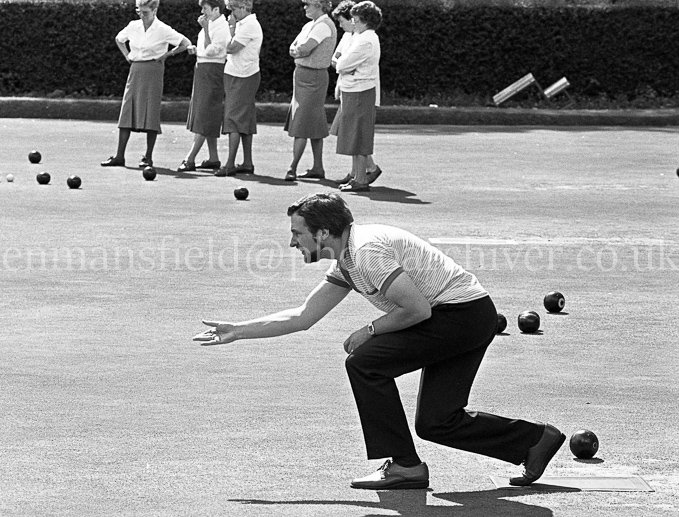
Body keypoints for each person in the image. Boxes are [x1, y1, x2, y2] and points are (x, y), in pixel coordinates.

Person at [193, 192, 565, 490]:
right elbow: (303, 316)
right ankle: (534, 441)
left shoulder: (366, 251)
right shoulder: (346, 260)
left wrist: (368, 330)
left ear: (322, 233)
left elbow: (417, 310)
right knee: (436, 422)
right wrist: (238, 330)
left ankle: (405, 466)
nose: (292, 242)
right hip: (465, 317)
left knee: (364, 362)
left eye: (297, 233)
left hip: (461, 316)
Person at [101, 0, 191, 169]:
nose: (142, 16)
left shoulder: (163, 29)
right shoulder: (133, 26)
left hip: (154, 70)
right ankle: (120, 156)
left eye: (145, 12)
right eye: (139, 12)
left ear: (154, 10)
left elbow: (185, 43)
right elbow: (119, 39)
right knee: (127, 110)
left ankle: (148, 157)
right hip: (135, 69)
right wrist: (127, 55)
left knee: (151, 112)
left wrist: (167, 55)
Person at [283, 0, 337, 183]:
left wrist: (298, 50)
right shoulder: (309, 25)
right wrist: (298, 50)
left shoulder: (323, 25)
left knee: (302, 121)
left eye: (308, 4)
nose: (304, 7)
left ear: (319, 5)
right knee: (314, 121)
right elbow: (294, 47)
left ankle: (292, 167)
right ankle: (317, 167)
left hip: (314, 77)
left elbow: (304, 48)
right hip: (303, 77)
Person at [329, 0, 381, 187]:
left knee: (359, 136)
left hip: (360, 91)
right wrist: (344, 66)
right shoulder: (361, 37)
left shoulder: (366, 39)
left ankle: (360, 179)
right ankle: (356, 176)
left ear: (365, 20)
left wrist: (343, 65)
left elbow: (341, 64)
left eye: (356, 19)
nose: (353, 22)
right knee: (354, 135)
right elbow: (341, 63)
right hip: (353, 90)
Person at [178, 0, 230, 173]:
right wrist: (195, 49)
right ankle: (213, 157)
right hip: (202, 69)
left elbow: (211, 51)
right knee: (205, 111)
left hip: (213, 71)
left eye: (205, 8)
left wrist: (206, 29)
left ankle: (190, 158)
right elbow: (204, 49)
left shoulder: (221, 27)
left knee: (205, 113)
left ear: (216, 9)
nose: (202, 11)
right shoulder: (210, 24)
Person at [214, 0, 263, 177]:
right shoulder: (244, 24)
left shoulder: (249, 25)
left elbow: (231, 48)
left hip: (244, 76)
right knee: (245, 118)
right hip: (236, 74)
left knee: (233, 118)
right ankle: (247, 163)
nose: (230, 13)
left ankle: (229, 164)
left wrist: (231, 28)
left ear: (243, 8)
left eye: (232, 9)